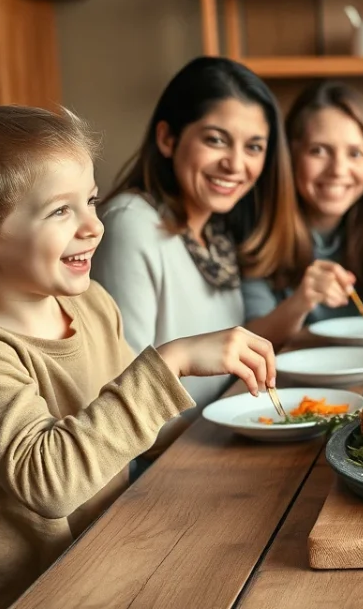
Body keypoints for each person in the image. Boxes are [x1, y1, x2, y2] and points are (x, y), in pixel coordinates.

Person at [0, 105, 278, 609]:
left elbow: (139, 428)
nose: (94, 227)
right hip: (22, 593)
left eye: (92, 202)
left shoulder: (89, 302)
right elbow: (49, 481)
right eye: (60, 211)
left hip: (107, 557)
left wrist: (248, 452)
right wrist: (173, 361)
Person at [93, 56, 310, 450]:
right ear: (167, 138)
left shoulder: (217, 230)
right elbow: (119, 397)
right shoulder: (131, 224)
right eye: (215, 140)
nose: (235, 164)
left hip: (219, 436)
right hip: (167, 459)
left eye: (254, 147)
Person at [241, 81, 363, 346]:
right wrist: (301, 302)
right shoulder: (260, 221)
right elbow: (251, 335)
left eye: (355, 153)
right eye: (318, 150)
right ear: (290, 156)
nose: (338, 169)